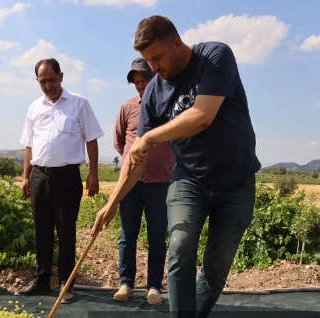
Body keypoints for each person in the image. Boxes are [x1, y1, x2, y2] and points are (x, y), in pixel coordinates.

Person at [91, 15, 261, 317]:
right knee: (181, 249)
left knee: (216, 266)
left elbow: (201, 116)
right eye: (148, 60)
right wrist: (112, 202)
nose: (154, 68)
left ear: (177, 43)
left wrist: (151, 136)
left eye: (157, 57)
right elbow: (137, 159)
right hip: (189, 180)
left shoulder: (214, 56)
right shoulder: (154, 93)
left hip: (237, 181)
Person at [14, 58, 104, 304]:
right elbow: (29, 145)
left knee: (66, 231)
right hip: (40, 176)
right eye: (42, 81)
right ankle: (42, 279)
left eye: (52, 80)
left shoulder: (79, 103)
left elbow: (92, 139)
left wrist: (93, 173)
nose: (48, 85)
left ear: (61, 77)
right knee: (41, 230)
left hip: (67, 177)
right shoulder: (34, 108)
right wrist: (25, 177)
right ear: (37, 82)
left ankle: (66, 283)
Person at [110, 57, 175, 305]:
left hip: (161, 183)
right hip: (130, 185)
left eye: (144, 80)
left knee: (157, 237)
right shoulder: (127, 108)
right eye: (136, 82)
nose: (140, 85)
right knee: (128, 235)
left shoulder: (170, 107)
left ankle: (154, 287)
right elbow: (119, 143)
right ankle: (126, 283)